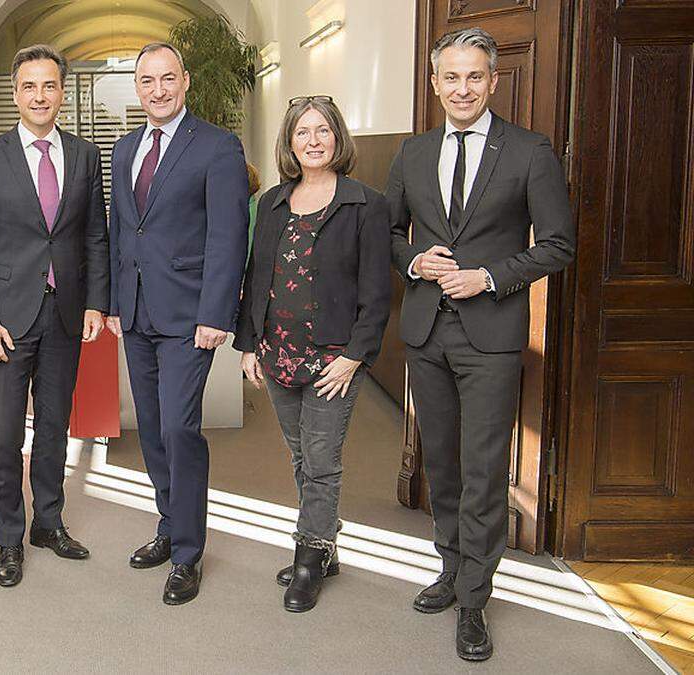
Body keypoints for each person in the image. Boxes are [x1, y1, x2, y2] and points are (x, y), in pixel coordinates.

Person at [387, 27, 574, 661]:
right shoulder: (413, 153)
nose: (462, 88)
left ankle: (475, 597)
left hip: (490, 334)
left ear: (493, 82)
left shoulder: (529, 150)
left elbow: (557, 243)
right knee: (441, 462)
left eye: (474, 77)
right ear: (434, 83)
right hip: (425, 332)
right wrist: (416, 261)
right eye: (450, 77)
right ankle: (449, 567)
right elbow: (388, 234)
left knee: (485, 470)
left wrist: (489, 276)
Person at [0, 44, 110, 588]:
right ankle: (8, 538)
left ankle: (48, 522)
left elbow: (95, 235)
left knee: (53, 427)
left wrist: (96, 301)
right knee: (3, 435)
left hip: (65, 313)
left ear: (61, 94)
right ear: (15, 94)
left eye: (49, 86)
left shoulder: (86, 156)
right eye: (29, 86)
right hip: (5, 320)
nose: (39, 95)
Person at [105, 42, 249, 605]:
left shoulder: (217, 146)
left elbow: (228, 235)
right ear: (137, 88)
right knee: (151, 427)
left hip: (191, 317)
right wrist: (116, 303)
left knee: (179, 429)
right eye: (147, 81)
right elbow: (122, 231)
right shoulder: (123, 148)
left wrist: (216, 314)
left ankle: (188, 552)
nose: (158, 89)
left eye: (168, 78)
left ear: (185, 81)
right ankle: (168, 524)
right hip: (137, 312)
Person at [235, 96, 391, 612]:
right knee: (302, 455)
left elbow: (376, 290)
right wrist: (249, 344)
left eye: (322, 131)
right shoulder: (273, 202)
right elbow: (257, 280)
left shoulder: (365, 204)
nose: (313, 140)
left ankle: (308, 559)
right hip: (278, 354)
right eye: (302, 132)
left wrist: (355, 355)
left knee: (321, 461)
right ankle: (325, 545)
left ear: (338, 138)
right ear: (289, 143)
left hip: (332, 361)